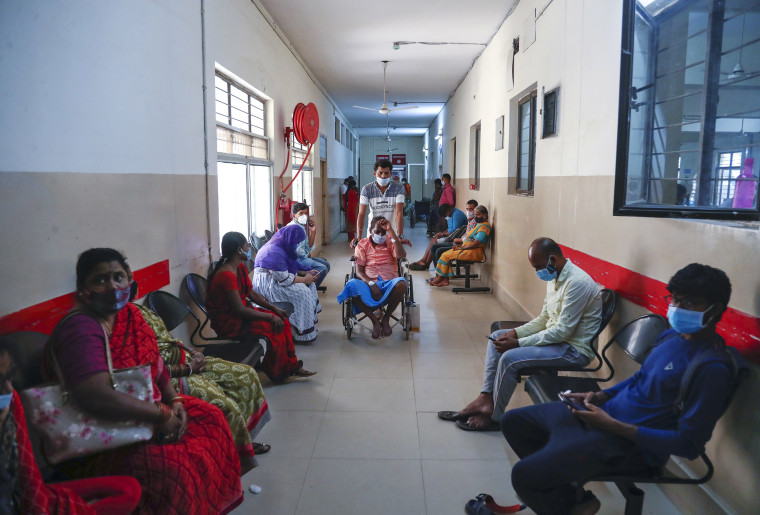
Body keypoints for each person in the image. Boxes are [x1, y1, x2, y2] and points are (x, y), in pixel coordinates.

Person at [501, 263, 744, 515]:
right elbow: (642, 376)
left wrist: (611, 425)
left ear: (715, 310)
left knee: (524, 476)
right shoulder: (672, 337)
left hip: (629, 446)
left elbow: (689, 445)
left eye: (690, 303)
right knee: (514, 422)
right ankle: (571, 497)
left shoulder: (712, 367)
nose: (678, 309)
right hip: (603, 415)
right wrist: (600, 395)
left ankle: (566, 504)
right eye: (676, 300)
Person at [46, 248, 243, 514]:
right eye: (100, 280)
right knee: (174, 469)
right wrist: (161, 414)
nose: (112, 286)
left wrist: (174, 399)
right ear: (83, 289)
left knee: (212, 419)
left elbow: (155, 363)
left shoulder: (130, 315)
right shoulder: (81, 327)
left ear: (129, 280)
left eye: (118, 277)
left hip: (145, 409)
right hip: (99, 435)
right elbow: (94, 395)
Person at [438, 237, 601, 431]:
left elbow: (561, 332)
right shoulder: (556, 276)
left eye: (538, 267)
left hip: (573, 350)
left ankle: (495, 417)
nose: (538, 272)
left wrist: (518, 343)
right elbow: (544, 319)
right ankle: (485, 398)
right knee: (498, 336)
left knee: (510, 358)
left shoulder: (577, 283)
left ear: (553, 259)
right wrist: (515, 333)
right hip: (558, 339)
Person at [0, 339, 142, 515]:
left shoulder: (10, 399)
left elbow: (28, 474)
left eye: (9, 377)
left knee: (129, 489)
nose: (7, 389)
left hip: (28, 499)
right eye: (0, 380)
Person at [136, 304, 272, 469]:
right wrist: (188, 369)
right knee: (225, 406)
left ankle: (243, 442)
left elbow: (169, 340)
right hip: (168, 378)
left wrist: (193, 353)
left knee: (246, 375)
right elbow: (147, 370)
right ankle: (229, 460)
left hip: (186, 360)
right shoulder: (106, 331)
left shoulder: (138, 311)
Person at [208, 232, 317, 374]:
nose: (249, 248)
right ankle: (279, 370)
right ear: (239, 250)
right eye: (246, 245)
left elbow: (251, 294)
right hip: (231, 322)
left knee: (282, 320)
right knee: (274, 327)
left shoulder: (239, 268)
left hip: (241, 315)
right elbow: (239, 309)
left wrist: (273, 309)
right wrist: (270, 316)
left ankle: (291, 364)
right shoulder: (226, 275)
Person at [337, 217, 407, 340]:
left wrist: (391, 231)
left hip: (389, 282)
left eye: (383, 232)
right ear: (370, 230)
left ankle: (386, 318)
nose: (380, 235)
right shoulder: (362, 244)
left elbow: (401, 255)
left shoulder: (391, 241)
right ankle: (374, 321)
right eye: (377, 232)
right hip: (369, 281)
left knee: (401, 283)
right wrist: (371, 283)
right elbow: (359, 271)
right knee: (352, 284)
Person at [251, 226, 322, 343]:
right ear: (289, 238)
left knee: (311, 285)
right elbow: (283, 279)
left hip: (277, 279)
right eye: (296, 242)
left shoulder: (282, 245)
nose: (297, 245)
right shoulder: (273, 251)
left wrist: (306, 273)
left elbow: (290, 265)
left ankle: (305, 325)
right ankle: (300, 331)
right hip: (268, 284)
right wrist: (305, 280)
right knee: (302, 292)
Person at [428, 205, 492, 288]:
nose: (476, 217)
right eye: (475, 215)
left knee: (446, 256)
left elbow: (475, 244)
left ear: (485, 215)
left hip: (474, 252)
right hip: (467, 249)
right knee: (445, 254)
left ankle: (441, 279)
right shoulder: (480, 224)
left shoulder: (484, 228)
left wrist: (462, 248)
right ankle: (443, 279)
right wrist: (461, 246)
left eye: (478, 215)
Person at [353, 159, 407, 246]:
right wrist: (359, 237)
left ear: (391, 174)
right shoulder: (366, 189)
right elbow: (361, 214)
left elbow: (399, 213)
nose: (383, 176)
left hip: (392, 233)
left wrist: (400, 235)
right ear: (374, 174)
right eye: (380, 173)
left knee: (392, 258)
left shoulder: (399, 188)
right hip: (373, 233)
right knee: (372, 257)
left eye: (386, 173)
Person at [408, 200, 473, 271]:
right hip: (453, 236)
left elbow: (454, 231)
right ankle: (424, 261)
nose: (446, 217)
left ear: (449, 210)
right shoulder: (450, 215)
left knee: (434, 242)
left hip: (457, 239)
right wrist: (441, 234)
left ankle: (425, 263)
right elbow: (449, 229)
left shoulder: (457, 215)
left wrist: (442, 234)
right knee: (434, 239)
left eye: (446, 215)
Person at [288, 202, 331, 288]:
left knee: (327, 264)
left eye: (305, 213)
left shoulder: (301, 226)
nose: (304, 216)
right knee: (322, 268)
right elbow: (296, 250)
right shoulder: (292, 228)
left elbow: (308, 246)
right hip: (296, 260)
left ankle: (311, 287)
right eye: (301, 213)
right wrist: (307, 254)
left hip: (302, 257)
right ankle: (309, 291)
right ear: (294, 216)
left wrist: (313, 231)